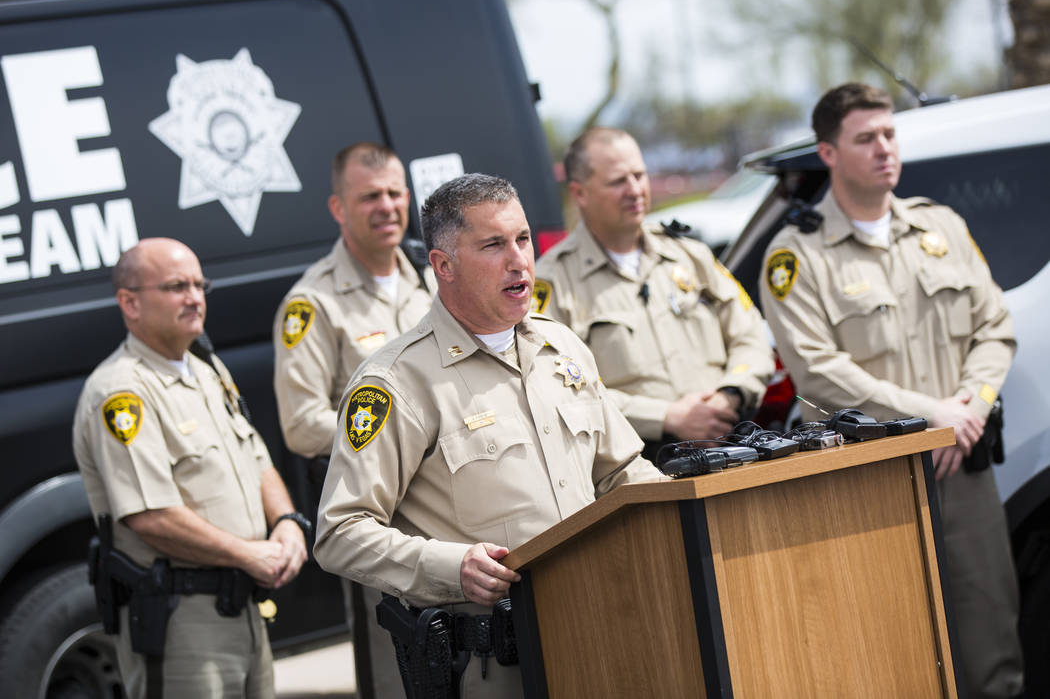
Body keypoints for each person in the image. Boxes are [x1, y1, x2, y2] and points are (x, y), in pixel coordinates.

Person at [313, 173, 664, 698]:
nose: (519, 259)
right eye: (494, 245)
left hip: (601, 629)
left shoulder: (560, 347)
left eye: (522, 239)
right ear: (443, 266)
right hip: (492, 664)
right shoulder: (396, 382)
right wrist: (451, 567)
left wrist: (683, 506)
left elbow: (621, 472)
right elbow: (339, 534)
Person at [759, 83, 1023, 698]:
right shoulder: (796, 255)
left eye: (889, 135)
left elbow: (995, 329)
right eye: (865, 138)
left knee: (992, 650)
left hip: (963, 471)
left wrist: (970, 413)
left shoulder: (942, 226)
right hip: (867, 480)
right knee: (885, 652)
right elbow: (818, 373)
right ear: (828, 152)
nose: (885, 149)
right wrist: (933, 416)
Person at [73, 238, 308, 698]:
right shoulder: (122, 392)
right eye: (177, 286)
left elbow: (256, 457)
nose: (195, 297)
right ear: (130, 302)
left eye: (200, 285)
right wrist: (250, 555)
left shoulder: (206, 368)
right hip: (183, 623)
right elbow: (150, 516)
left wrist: (286, 523)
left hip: (242, 608)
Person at [272, 142, 433, 699]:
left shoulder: (432, 279)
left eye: (394, 193)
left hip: (456, 497)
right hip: (381, 516)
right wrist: (396, 441)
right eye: (369, 197)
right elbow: (301, 424)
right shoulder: (313, 303)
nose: (386, 206)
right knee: (398, 673)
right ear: (339, 208)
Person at [535, 127, 774, 457]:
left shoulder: (690, 255)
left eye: (639, 175)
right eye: (618, 181)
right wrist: (666, 418)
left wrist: (730, 393)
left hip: (732, 441)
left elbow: (750, 332)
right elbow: (560, 388)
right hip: (641, 465)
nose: (635, 190)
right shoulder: (553, 282)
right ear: (580, 193)